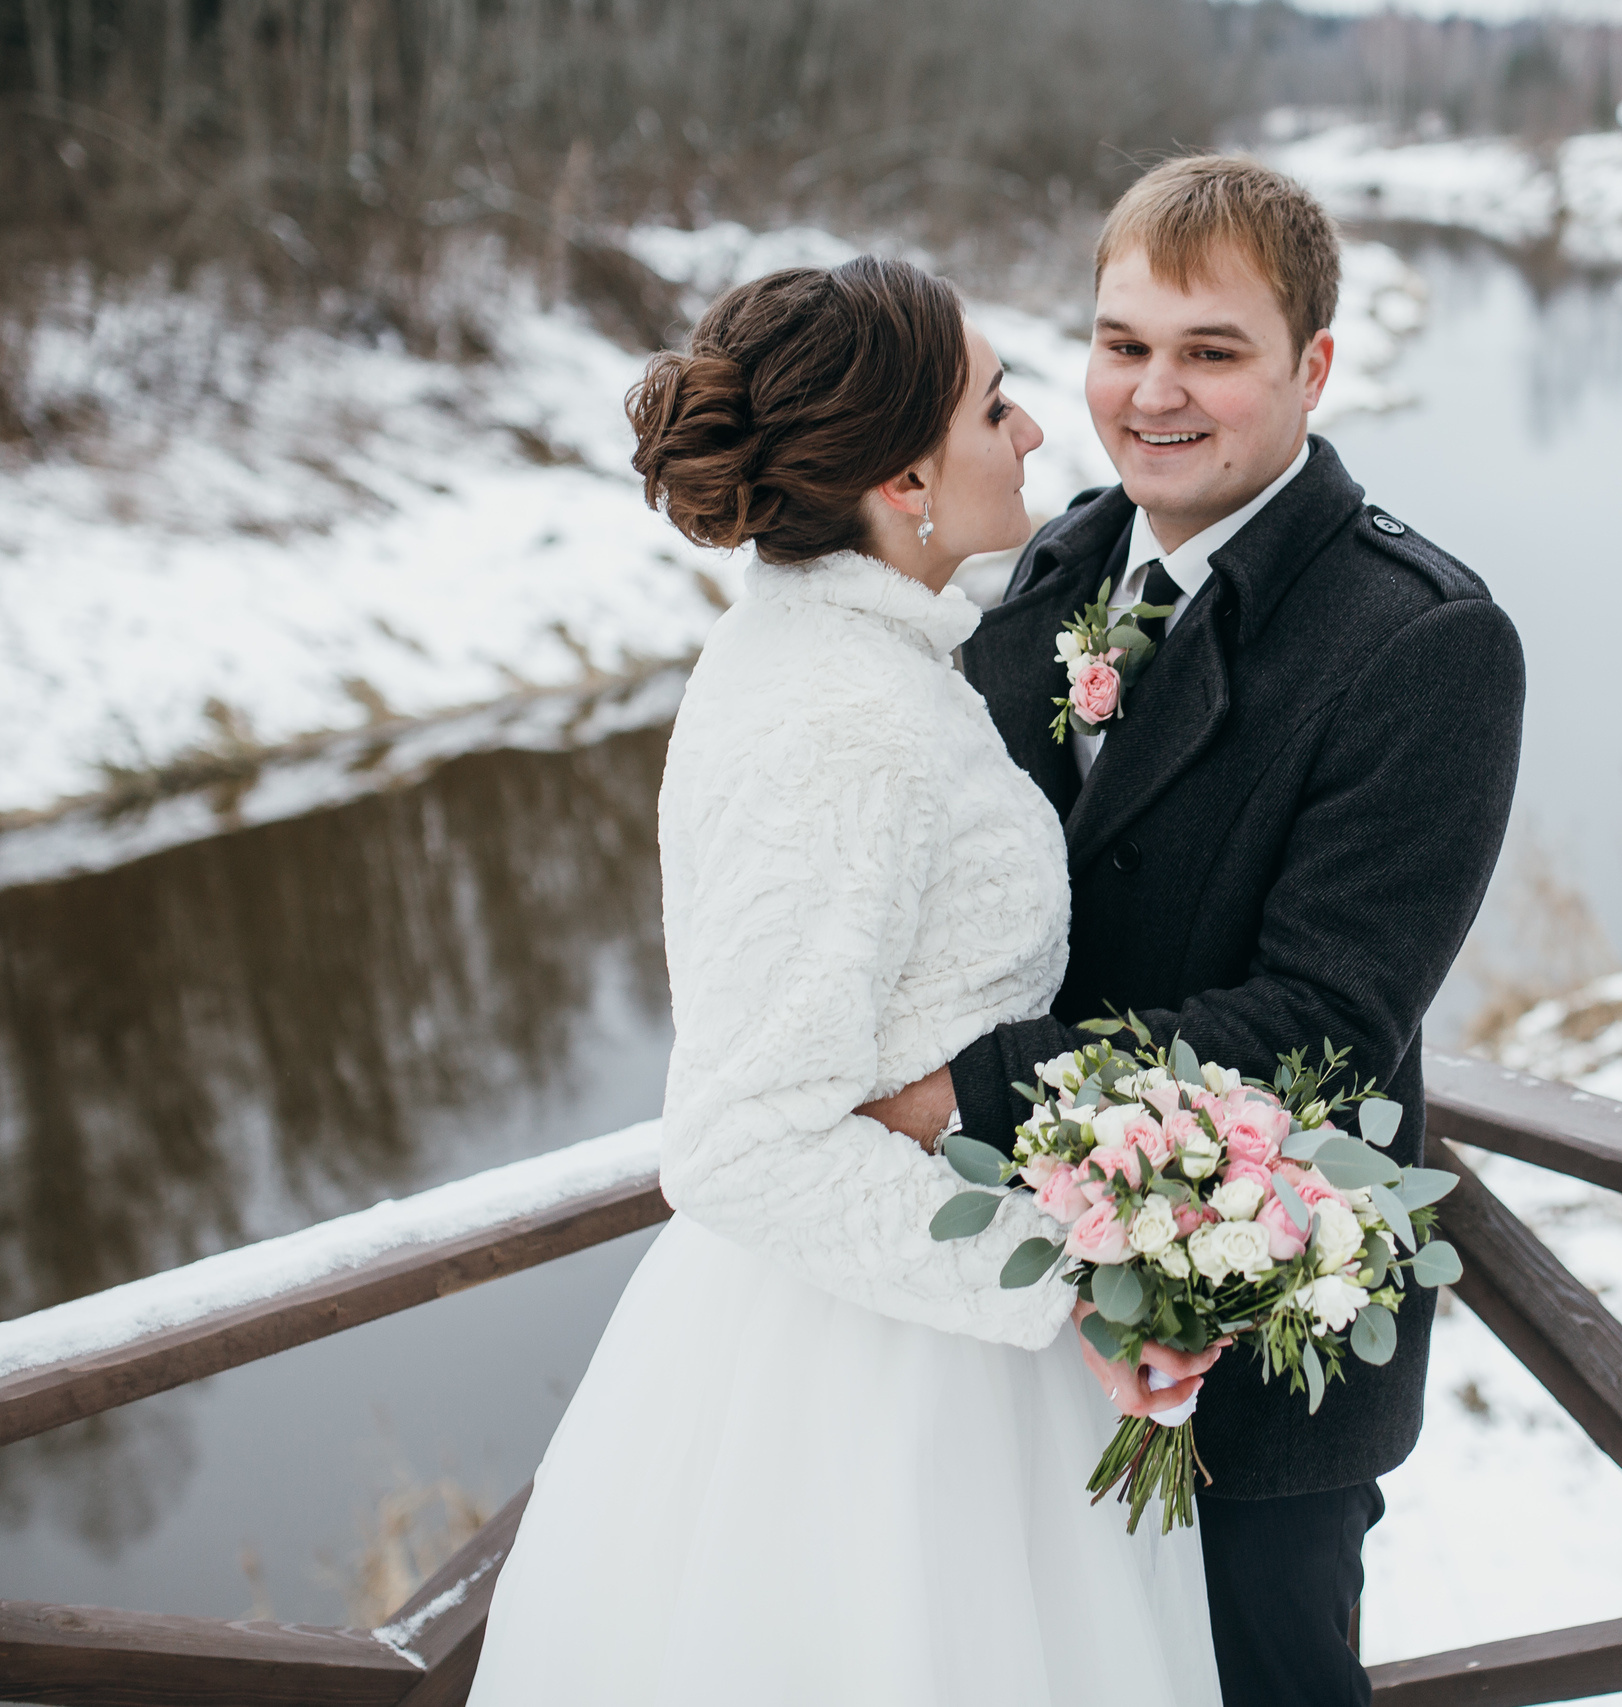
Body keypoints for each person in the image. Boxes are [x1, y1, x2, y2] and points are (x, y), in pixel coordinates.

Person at [466, 258, 1222, 1705]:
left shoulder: (851, 657)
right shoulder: (838, 718)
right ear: (903, 481)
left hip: (946, 1347)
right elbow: (743, 1142)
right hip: (874, 1402)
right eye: (996, 407)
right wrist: (1068, 1283)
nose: (1034, 435)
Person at [859, 155, 1526, 1706]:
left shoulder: (1422, 640)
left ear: (1314, 368)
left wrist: (967, 1092)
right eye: (1121, 343)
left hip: (1247, 1343)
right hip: (1015, 1318)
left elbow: (1322, 1020)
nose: (1152, 393)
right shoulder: (1061, 560)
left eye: (1211, 353)